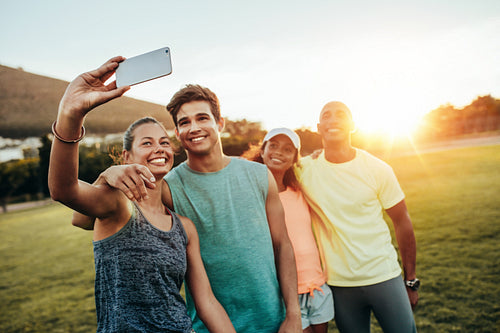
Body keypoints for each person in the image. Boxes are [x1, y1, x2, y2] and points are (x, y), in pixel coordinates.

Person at [73, 84, 302, 332]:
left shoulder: (259, 175)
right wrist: (108, 174)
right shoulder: (167, 186)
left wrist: (293, 314)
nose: (194, 128)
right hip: (208, 326)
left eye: (202, 118)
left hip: (273, 320)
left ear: (220, 123)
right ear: (178, 133)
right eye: (184, 122)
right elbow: (83, 219)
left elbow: (283, 245)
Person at [48, 57, 236, 333]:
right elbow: (63, 189)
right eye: (147, 143)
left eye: (164, 142)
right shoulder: (117, 207)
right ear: (127, 156)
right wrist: (70, 115)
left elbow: (206, 301)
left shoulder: (184, 228)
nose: (159, 149)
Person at [295, 101, 419, 333]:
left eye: (341, 115)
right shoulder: (304, 170)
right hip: (340, 285)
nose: (333, 120)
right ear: (319, 126)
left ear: (353, 125)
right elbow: (269, 170)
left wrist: (410, 279)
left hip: (384, 276)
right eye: (327, 116)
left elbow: (402, 220)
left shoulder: (378, 168)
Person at [247, 128, 334, 333]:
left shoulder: (299, 190)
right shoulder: (253, 195)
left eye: (287, 149)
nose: (278, 152)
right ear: (262, 150)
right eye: (273, 146)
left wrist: (316, 156)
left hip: (317, 286)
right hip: (286, 292)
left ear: (295, 158)